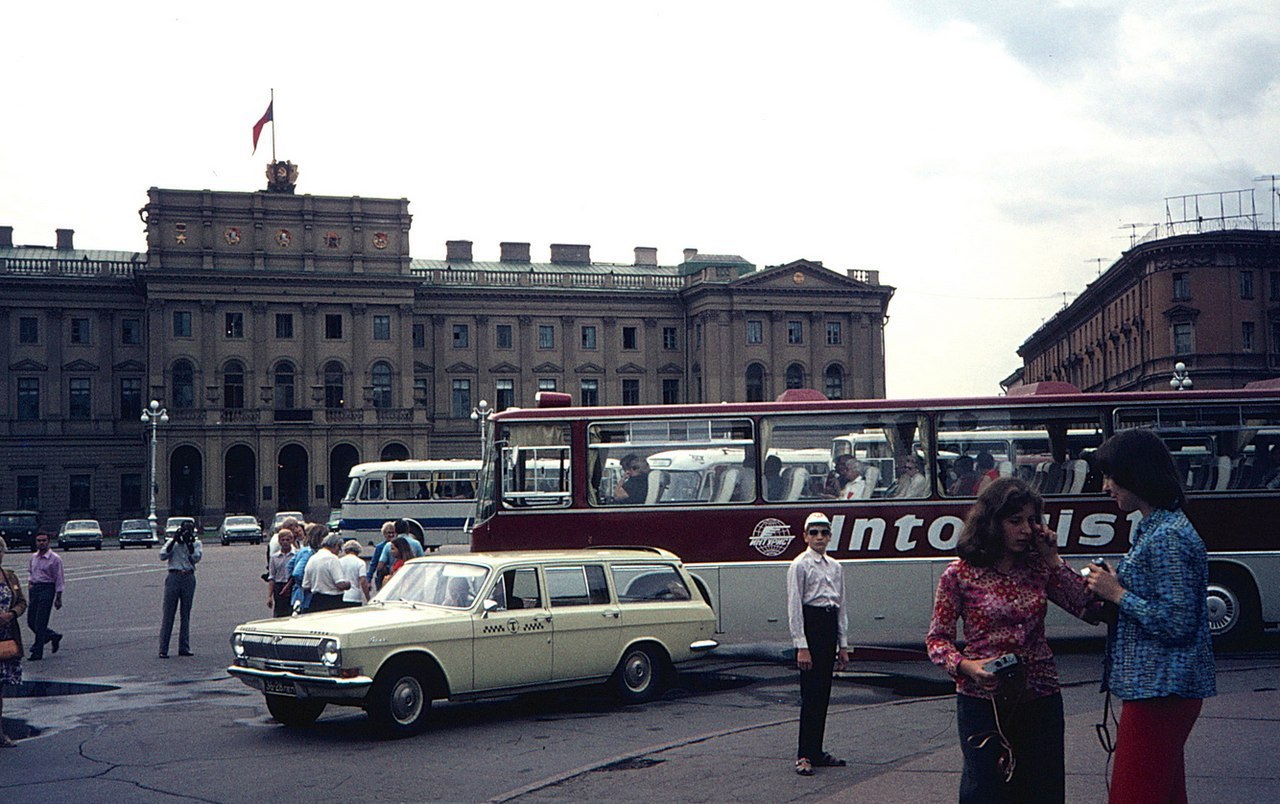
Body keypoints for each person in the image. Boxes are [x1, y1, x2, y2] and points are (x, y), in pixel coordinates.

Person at [925, 477, 1098, 803]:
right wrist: (967, 667)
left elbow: (1086, 608)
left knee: (1042, 788)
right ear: (992, 522)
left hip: (1040, 695)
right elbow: (937, 640)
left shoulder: (1038, 567)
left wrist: (1053, 560)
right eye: (1014, 521)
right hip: (983, 699)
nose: (1026, 530)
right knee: (987, 788)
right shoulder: (959, 574)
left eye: (1032, 520)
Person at [1083, 428, 1216, 804]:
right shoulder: (1157, 528)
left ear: (1136, 474)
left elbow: (1178, 622)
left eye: (1111, 476)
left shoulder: (1167, 537)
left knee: (1134, 795)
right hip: (1160, 689)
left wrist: (1118, 594)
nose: (1106, 487)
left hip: (1160, 690)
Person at [786, 511, 849, 777]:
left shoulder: (836, 567)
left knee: (822, 693)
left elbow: (841, 606)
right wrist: (801, 645)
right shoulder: (799, 565)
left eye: (824, 533)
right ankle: (804, 754)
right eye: (814, 533)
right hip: (810, 627)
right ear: (805, 536)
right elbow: (794, 607)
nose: (819, 537)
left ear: (830, 536)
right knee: (810, 695)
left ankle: (817, 751)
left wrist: (842, 645)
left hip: (828, 626)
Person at [159, 519, 203, 658]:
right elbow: (162, 555)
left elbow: (195, 558)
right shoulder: (174, 543)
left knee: (186, 614)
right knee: (168, 614)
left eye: (190, 530)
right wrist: (174, 540)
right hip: (174, 576)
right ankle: (163, 649)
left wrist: (189, 544)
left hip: (188, 577)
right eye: (185, 529)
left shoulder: (196, 543)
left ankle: (184, 647)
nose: (187, 532)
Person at [1, 537, 28, 747]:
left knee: (1, 688)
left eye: (0, 550)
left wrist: (11, 614)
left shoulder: (9, 576)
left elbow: (21, 601)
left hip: (7, 638)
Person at [26, 532, 65, 660]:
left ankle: (37, 652)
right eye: (38, 540)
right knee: (31, 621)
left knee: (41, 622)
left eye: (43, 540)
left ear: (48, 542)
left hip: (47, 589)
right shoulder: (33, 557)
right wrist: (30, 582)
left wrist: (58, 597)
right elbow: (31, 572)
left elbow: (59, 578)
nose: (41, 543)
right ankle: (52, 636)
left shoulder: (55, 559)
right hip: (35, 589)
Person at [303, 534, 351, 612]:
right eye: (339, 548)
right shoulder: (332, 559)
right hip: (332, 601)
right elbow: (340, 584)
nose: (339, 552)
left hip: (315, 600)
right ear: (336, 545)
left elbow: (306, 585)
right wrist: (348, 584)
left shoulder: (312, 558)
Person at [288, 523, 323, 615]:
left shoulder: (303, 550)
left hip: (297, 594)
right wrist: (305, 585)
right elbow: (297, 573)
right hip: (305, 597)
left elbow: (290, 565)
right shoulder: (309, 553)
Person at [265, 525, 295, 617]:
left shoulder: (296, 555)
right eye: (283, 540)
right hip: (279, 586)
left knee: (292, 610)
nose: (285, 542)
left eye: (287, 540)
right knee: (279, 612)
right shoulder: (274, 558)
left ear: (292, 540)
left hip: (292, 586)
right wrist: (269, 596)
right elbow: (272, 577)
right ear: (279, 541)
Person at [366, 521, 397, 593]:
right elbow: (373, 564)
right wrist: (368, 580)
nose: (391, 535)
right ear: (384, 534)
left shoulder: (399, 545)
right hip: (382, 577)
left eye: (393, 532)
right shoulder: (380, 547)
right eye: (389, 533)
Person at [339, 540, 367, 607]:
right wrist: (368, 597)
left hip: (341, 595)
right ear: (358, 551)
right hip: (355, 596)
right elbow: (363, 581)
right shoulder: (360, 562)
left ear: (346, 550)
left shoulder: (339, 561)